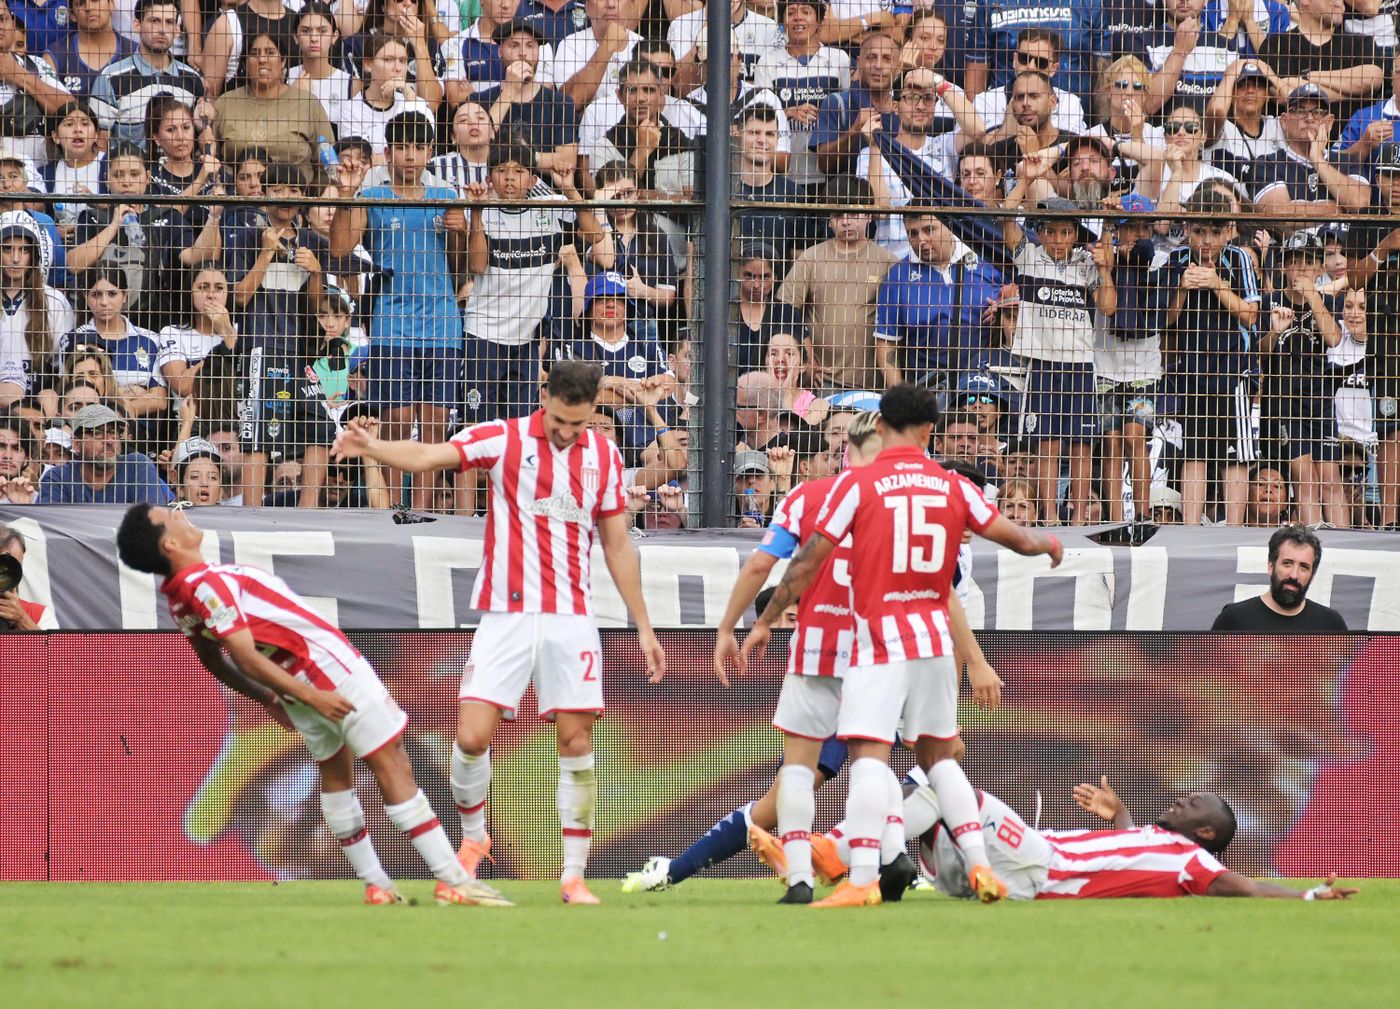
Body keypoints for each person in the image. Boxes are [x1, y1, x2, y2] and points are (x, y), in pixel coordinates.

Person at [331, 360, 667, 905]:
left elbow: (617, 545)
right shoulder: (504, 438)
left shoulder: (604, 455)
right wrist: (374, 447)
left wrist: (644, 625)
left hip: (571, 618)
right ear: (544, 399)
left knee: (576, 741)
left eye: (578, 424)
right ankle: (475, 836)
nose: (567, 432)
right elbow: (429, 457)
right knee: (470, 737)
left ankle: (573, 876)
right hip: (505, 614)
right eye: (559, 421)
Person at [740, 383, 1063, 907]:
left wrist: (768, 619)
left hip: (880, 642)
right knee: (940, 760)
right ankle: (981, 866)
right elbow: (1020, 538)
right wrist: (1050, 543)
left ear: (883, 425)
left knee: (869, 757)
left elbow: (808, 560)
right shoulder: (953, 485)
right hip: (934, 642)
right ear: (931, 431)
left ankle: (863, 879)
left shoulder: (859, 484)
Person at [113, 501, 509, 907]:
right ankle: (454, 880)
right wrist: (311, 695)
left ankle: (377, 884)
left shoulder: (180, 598)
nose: (180, 512)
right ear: (170, 544)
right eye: (170, 516)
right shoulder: (205, 584)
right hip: (327, 672)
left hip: (298, 683)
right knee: (394, 764)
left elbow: (212, 660)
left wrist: (270, 698)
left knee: (336, 773)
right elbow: (242, 655)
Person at [621, 412, 891, 900]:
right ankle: (874, 869)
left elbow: (763, 565)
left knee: (799, 778)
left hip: (822, 651)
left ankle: (813, 872)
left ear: (843, 452)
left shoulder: (808, 498)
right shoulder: (907, 502)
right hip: (890, 652)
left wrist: (736, 625)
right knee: (914, 763)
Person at [916, 773, 1357, 901]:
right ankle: (898, 869)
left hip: (1042, 861)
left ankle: (872, 855)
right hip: (1022, 876)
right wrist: (1119, 812)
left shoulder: (1193, 860)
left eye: (1193, 803)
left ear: (1205, 832)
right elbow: (1129, 848)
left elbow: (1249, 887)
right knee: (935, 811)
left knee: (946, 781)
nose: (1181, 800)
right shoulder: (1157, 843)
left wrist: (1307, 895)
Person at [331, 111, 466, 510]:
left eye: (418, 147)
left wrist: (463, 230)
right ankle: (394, 510)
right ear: (388, 153)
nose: (410, 155)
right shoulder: (372, 197)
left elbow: (462, 267)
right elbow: (339, 249)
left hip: (442, 324)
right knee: (396, 422)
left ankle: (420, 511)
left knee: (435, 425)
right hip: (391, 323)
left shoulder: (447, 198)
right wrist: (346, 194)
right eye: (402, 147)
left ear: (430, 152)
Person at [777, 175, 897, 393]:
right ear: (829, 219)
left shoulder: (888, 262)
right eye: (838, 214)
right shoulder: (811, 258)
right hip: (819, 383)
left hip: (872, 386)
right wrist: (806, 354)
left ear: (869, 215)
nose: (846, 221)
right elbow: (784, 309)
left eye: (853, 213)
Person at [214, 31, 337, 184]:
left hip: (296, 195)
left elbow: (329, 162)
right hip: (235, 195)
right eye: (254, 53)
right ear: (245, 63)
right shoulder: (226, 102)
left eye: (270, 53)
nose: (262, 59)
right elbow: (210, 157)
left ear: (283, 61)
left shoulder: (308, 103)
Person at [89, 0, 205, 146]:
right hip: (128, 161)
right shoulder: (110, 78)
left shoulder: (192, 79)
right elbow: (99, 143)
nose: (162, 29)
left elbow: (201, 136)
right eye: (154, 21)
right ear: (137, 25)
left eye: (169, 22)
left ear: (177, 29)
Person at [0, 211, 73, 415]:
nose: (15, 259)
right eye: (7, 249)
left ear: (34, 255)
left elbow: (64, 367)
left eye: (24, 250)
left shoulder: (55, 301)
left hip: (38, 409)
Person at [1211, 525, 1348, 631]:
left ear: (1313, 575)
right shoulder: (1234, 619)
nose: (1294, 575)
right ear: (1271, 566)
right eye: (1287, 563)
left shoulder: (1331, 624)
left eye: (1304, 567)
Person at [35, 403, 173, 503]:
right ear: (76, 444)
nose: (109, 441)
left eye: (113, 432)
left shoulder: (137, 467)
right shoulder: (58, 478)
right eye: (97, 433)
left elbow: (153, 524)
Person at [0, 4, 75, 170]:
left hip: (36, 178)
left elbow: (72, 112)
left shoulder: (36, 65)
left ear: (12, 24)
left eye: (2, 19)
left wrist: (20, 76)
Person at [0, 525, 56, 629]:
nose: (4, 573)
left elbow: (53, 641)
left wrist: (21, 619)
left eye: (13, 566)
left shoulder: (39, 615)